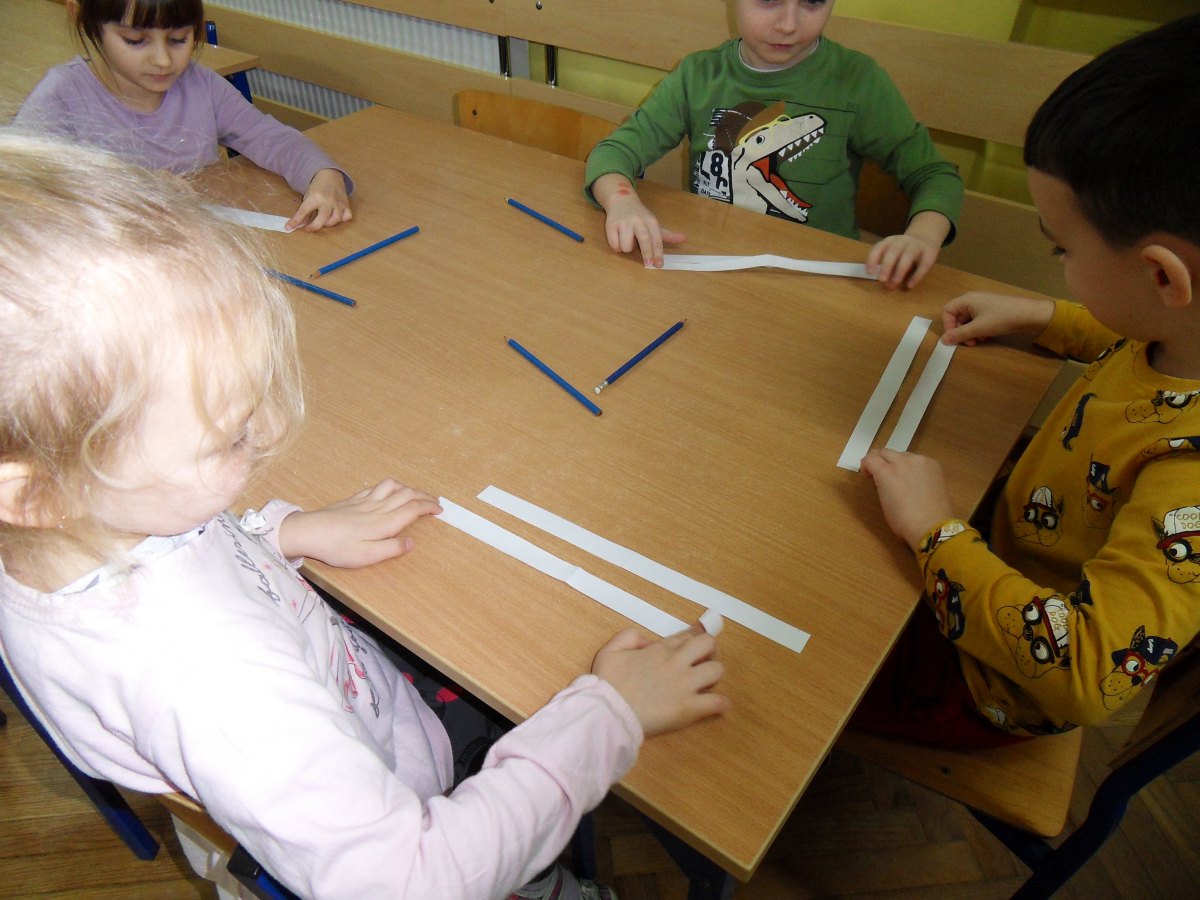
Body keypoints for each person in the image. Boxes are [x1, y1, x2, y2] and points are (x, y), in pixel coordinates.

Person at [0, 132, 729, 899]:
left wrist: (285, 533)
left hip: (362, 720)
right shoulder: (214, 684)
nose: (272, 432)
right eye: (230, 435)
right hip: (419, 819)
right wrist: (611, 715)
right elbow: (417, 879)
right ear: (35, 492)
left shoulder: (70, 533)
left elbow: (193, 549)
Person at [855, 13, 1200, 748]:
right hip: (1000, 541)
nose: (1058, 262)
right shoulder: (1181, 333)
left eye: (1060, 249)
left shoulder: (1191, 478)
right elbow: (1142, 340)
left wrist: (933, 530)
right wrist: (1047, 317)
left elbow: (1085, 673)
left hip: (985, 679)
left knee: (806, 638)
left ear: (1162, 277)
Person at [583, 0, 962, 289]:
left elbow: (934, 175)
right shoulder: (697, 76)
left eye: (813, 1)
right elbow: (615, 152)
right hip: (712, 272)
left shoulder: (858, 81)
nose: (789, 24)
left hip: (818, 281)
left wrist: (922, 237)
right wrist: (622, 201)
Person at [13, 0, 352, 232]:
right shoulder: (62, 97)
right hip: (111, 265)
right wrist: (129, 192)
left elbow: (269, 137)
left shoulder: (201, 85)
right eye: (135, 40)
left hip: (194, 247)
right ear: (83, 19)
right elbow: (17, 193)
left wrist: (322, 174)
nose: (163, 60)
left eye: (178, 39)